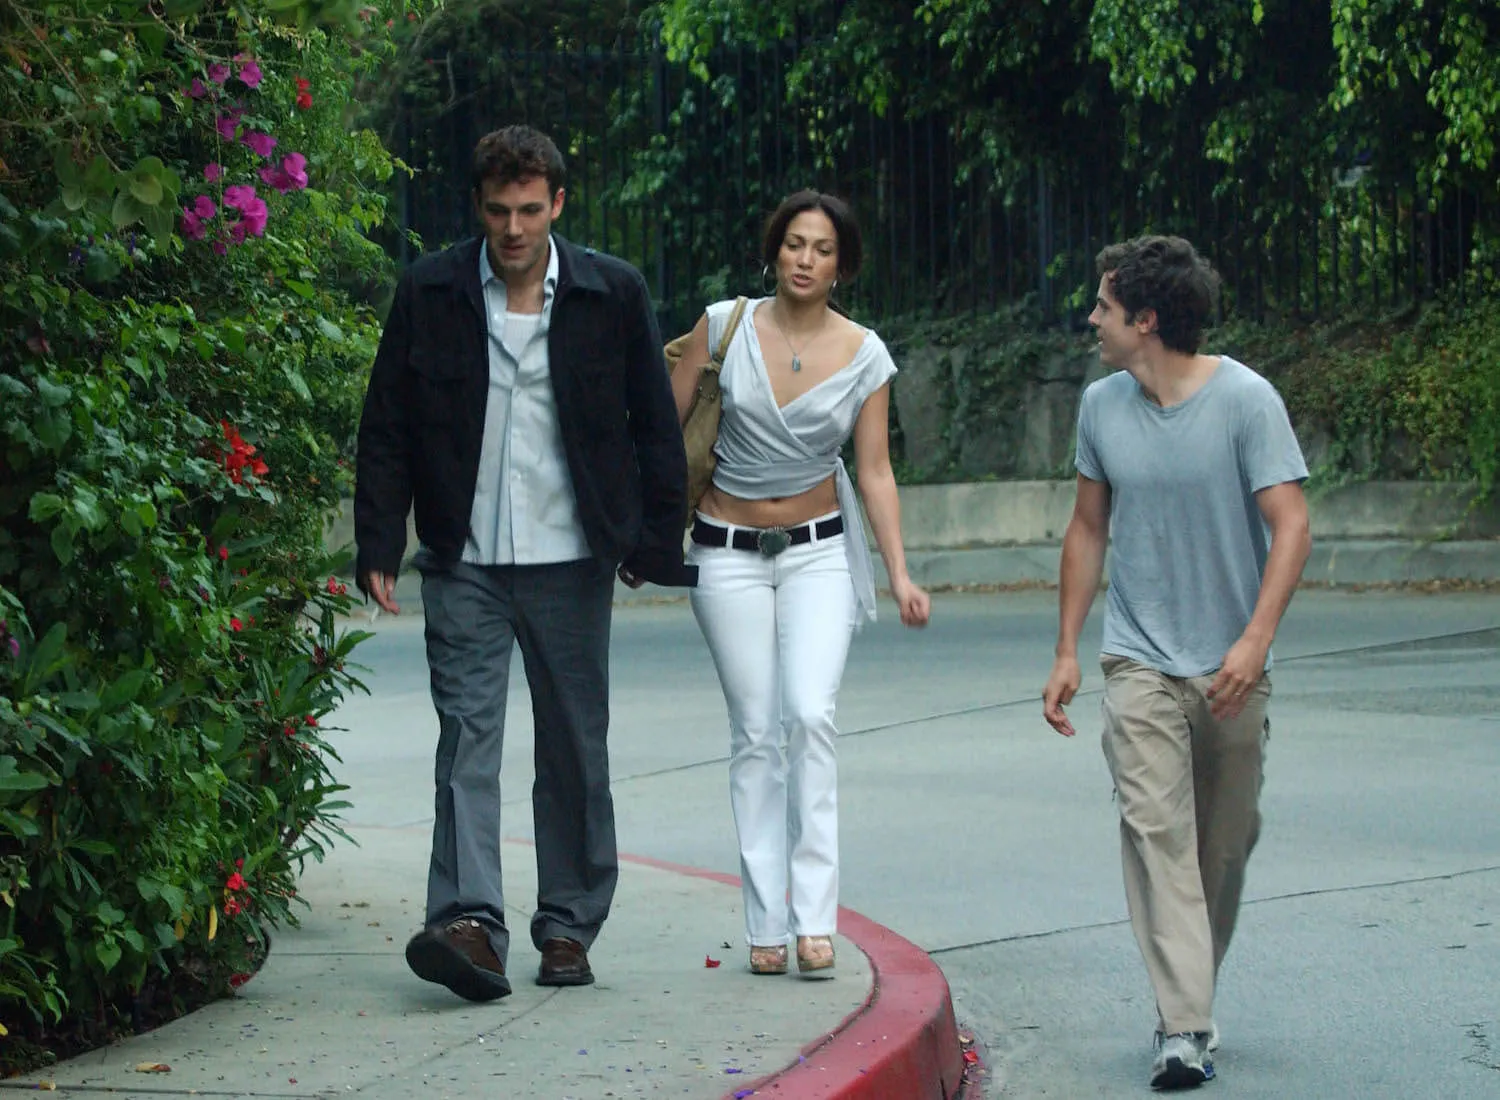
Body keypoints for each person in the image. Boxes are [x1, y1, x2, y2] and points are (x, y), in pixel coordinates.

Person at [354, 125, 692, 1001]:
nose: (513, 227)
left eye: (530, 210)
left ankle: (568, 926)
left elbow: (654, 424)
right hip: (463, 555)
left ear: (558, 206)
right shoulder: (429, 291)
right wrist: (377, 541)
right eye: (499, 211)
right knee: (466, 734)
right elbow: (387, 422)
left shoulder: (610, 292)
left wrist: (654, 541)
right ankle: (471, 923)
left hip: (573, 556)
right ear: (478, 207)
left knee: (575, 744)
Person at [1042, 235, 1312, 1089]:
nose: (1092, 318)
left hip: (1232, 666)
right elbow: (1088, 529)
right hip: (1140, 660)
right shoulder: (1101, 406)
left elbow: (1292, 524)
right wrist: (1067, 651)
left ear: (1147, 320)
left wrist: (1254, 639)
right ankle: (1182, 1027)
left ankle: (1190, 992)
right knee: (1156, 834)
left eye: (1104, 305)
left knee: (1221, 851)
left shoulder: (1245, 401)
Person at [670, 191, 931, 979]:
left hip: (819, 550)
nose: (805, 259)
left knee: (810, 715)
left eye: (821, 248)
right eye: (793, 244)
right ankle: (765, 923)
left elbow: (875, 471)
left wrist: (900, 572)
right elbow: (656, 429)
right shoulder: (722, 328)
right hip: (726, 549)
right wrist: (635, 533)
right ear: (773, 252)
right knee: (755, 730)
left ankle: (816, 919)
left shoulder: (866, 353)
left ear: (841, 264)